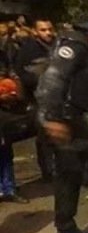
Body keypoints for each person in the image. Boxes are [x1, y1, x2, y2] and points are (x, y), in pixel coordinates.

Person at [35, 11, 88, 233]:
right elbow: (53, 81)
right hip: (61, 118)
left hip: (71, 117)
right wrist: (52, 119)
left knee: (81, 165)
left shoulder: (84, 46)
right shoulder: (74, 46)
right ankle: (65, 230)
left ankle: (67, 227)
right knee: (68, 172)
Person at [14, 19, 56, 180]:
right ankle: (48, 171)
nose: (48, 33)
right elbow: (22, 74)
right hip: (37, 99)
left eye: (49, 29)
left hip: (57, 97)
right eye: (43, 30)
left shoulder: (56, 46)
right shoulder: (28, 50)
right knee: (44, 136)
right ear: (35, 31)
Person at [0, 50, 29, 204]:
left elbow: (20, 96)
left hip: (4, 119)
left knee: (6, 154)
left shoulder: (3, 56)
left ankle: (9, 189)